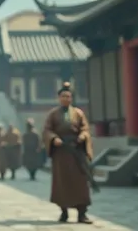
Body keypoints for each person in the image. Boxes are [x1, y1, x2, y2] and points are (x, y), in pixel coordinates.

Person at [43, 82, 94, 224]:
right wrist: (54, 138)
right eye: (63, 96)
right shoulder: (53, 114)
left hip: (76, 151)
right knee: (62, 182)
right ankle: (64, 212)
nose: (66, 98)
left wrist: (83, 136)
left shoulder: (78, 113)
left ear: (71, 98)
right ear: (59, 98)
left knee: (81, 182)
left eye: (68, 96)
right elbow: (47, 130)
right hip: (61, 153)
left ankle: (82, 214)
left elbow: (85, 128)